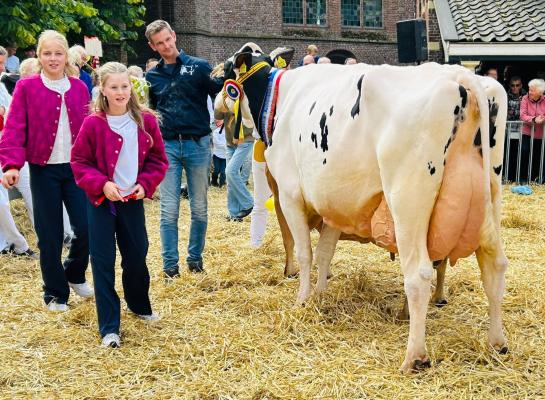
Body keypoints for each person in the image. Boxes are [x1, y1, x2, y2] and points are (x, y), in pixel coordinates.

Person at [71, 62, 168, 348]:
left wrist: (146, 184)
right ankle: (109, 327)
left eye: (124, 86)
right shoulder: (93, 123)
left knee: (137, 255)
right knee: (102, 262)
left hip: (132, 200)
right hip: (101, 201)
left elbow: (158, 160)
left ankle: (138, 304)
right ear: (103, 89)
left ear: (132, 87)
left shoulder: (145, 121)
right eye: (114, 87)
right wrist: (101, 183)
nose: (120, 92)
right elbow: (79, 162)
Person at [0, 30, 93, 312]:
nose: (53, 58)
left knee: (86, 228)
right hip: (43, 170)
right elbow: (15, 128)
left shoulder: (79, 88)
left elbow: (91, 129)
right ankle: (55, 292)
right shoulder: (27, 88)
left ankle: (75, 273)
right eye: (47, 53)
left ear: (66, 56)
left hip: (76, 170)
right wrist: (12, 164)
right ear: (39, 56)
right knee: (50, 233)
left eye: (58, 53)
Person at [145, 19, 224, 277]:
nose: (166, 46)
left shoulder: (198, 66)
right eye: (160, 43)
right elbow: (151, 113)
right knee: (169, 209)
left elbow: (221, 93)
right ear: (152, 46)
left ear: (174, 36)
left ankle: (195, 259)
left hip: (198, 144)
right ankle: (170, 266)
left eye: (168, 39)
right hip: (167, 146)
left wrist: (225, 113)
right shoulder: (151, 77)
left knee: (199, 207)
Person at [0, 45, 38, 258]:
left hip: (8, 147)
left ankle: (47, 235)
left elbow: (11, 113)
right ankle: (17, 245)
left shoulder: (2, 86)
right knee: (2, 204)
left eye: (3, 63)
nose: (1, 68)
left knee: (30, 189)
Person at [519, 78, 545, 184]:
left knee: (539, 155)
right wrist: (534, 119)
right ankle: (523, 179)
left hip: (541, 134)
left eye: (532, 90)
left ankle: (538, 179)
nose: (529, 92)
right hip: (527, 133)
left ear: (540, 92)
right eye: (529, 89)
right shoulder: (525, 99)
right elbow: (522, 115)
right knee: (525, 153)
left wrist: (543, 118)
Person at [210, 120, 226, 187]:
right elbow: (217, 143)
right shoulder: (216, 132)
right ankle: (214, 181)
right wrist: (225, 145)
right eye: (219, 122)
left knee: (223, 171)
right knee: (216, 169)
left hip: (225, 155)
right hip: (217, 154)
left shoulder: (228, 132)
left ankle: (221, 184)